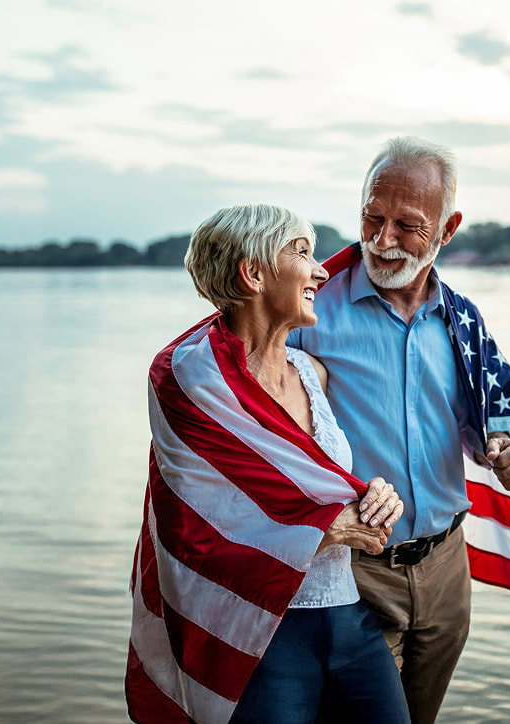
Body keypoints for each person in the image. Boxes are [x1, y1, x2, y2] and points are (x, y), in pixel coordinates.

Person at [289, 137, 510, 724]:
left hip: (445, 571)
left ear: (447, 228)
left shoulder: (462, 320)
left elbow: (485, 418)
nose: (383, 241)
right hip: (351, 571)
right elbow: (249, 413)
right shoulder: (307, 309)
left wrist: (502, 450)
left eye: (407, 225)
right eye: (372, 218)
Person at [125, 204, 411, 724]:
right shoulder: (191, 384)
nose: (322, 269)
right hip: (261, 632)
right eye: (302, 251)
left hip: (349, 615)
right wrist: (328, 530)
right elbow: (196, 533)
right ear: (253, 274)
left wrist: (373, 494)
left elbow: (319, 482)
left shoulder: (310, 371)